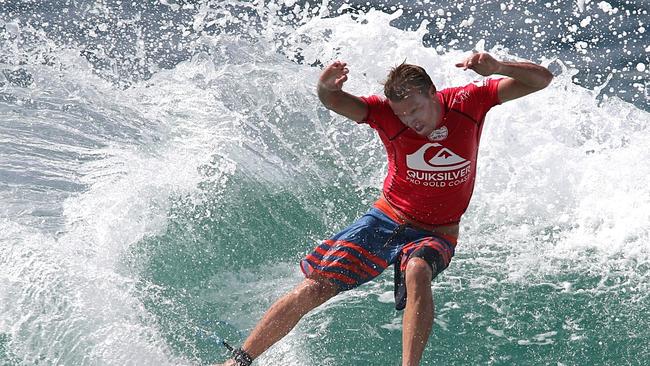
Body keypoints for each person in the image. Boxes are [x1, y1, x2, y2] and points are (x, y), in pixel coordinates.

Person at [219, 52, 553, 366]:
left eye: (415, 110)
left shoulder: (468, 102)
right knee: (316, 286)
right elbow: (336, 101)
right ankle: (240, 359)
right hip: (386, 219)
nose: (410, 121)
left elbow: (541, 79)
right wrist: (325, 87)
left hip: (438, 231)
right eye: (402, 114)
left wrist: (498, 67)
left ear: (432, 93)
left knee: (418, 269)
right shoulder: (385, 115)